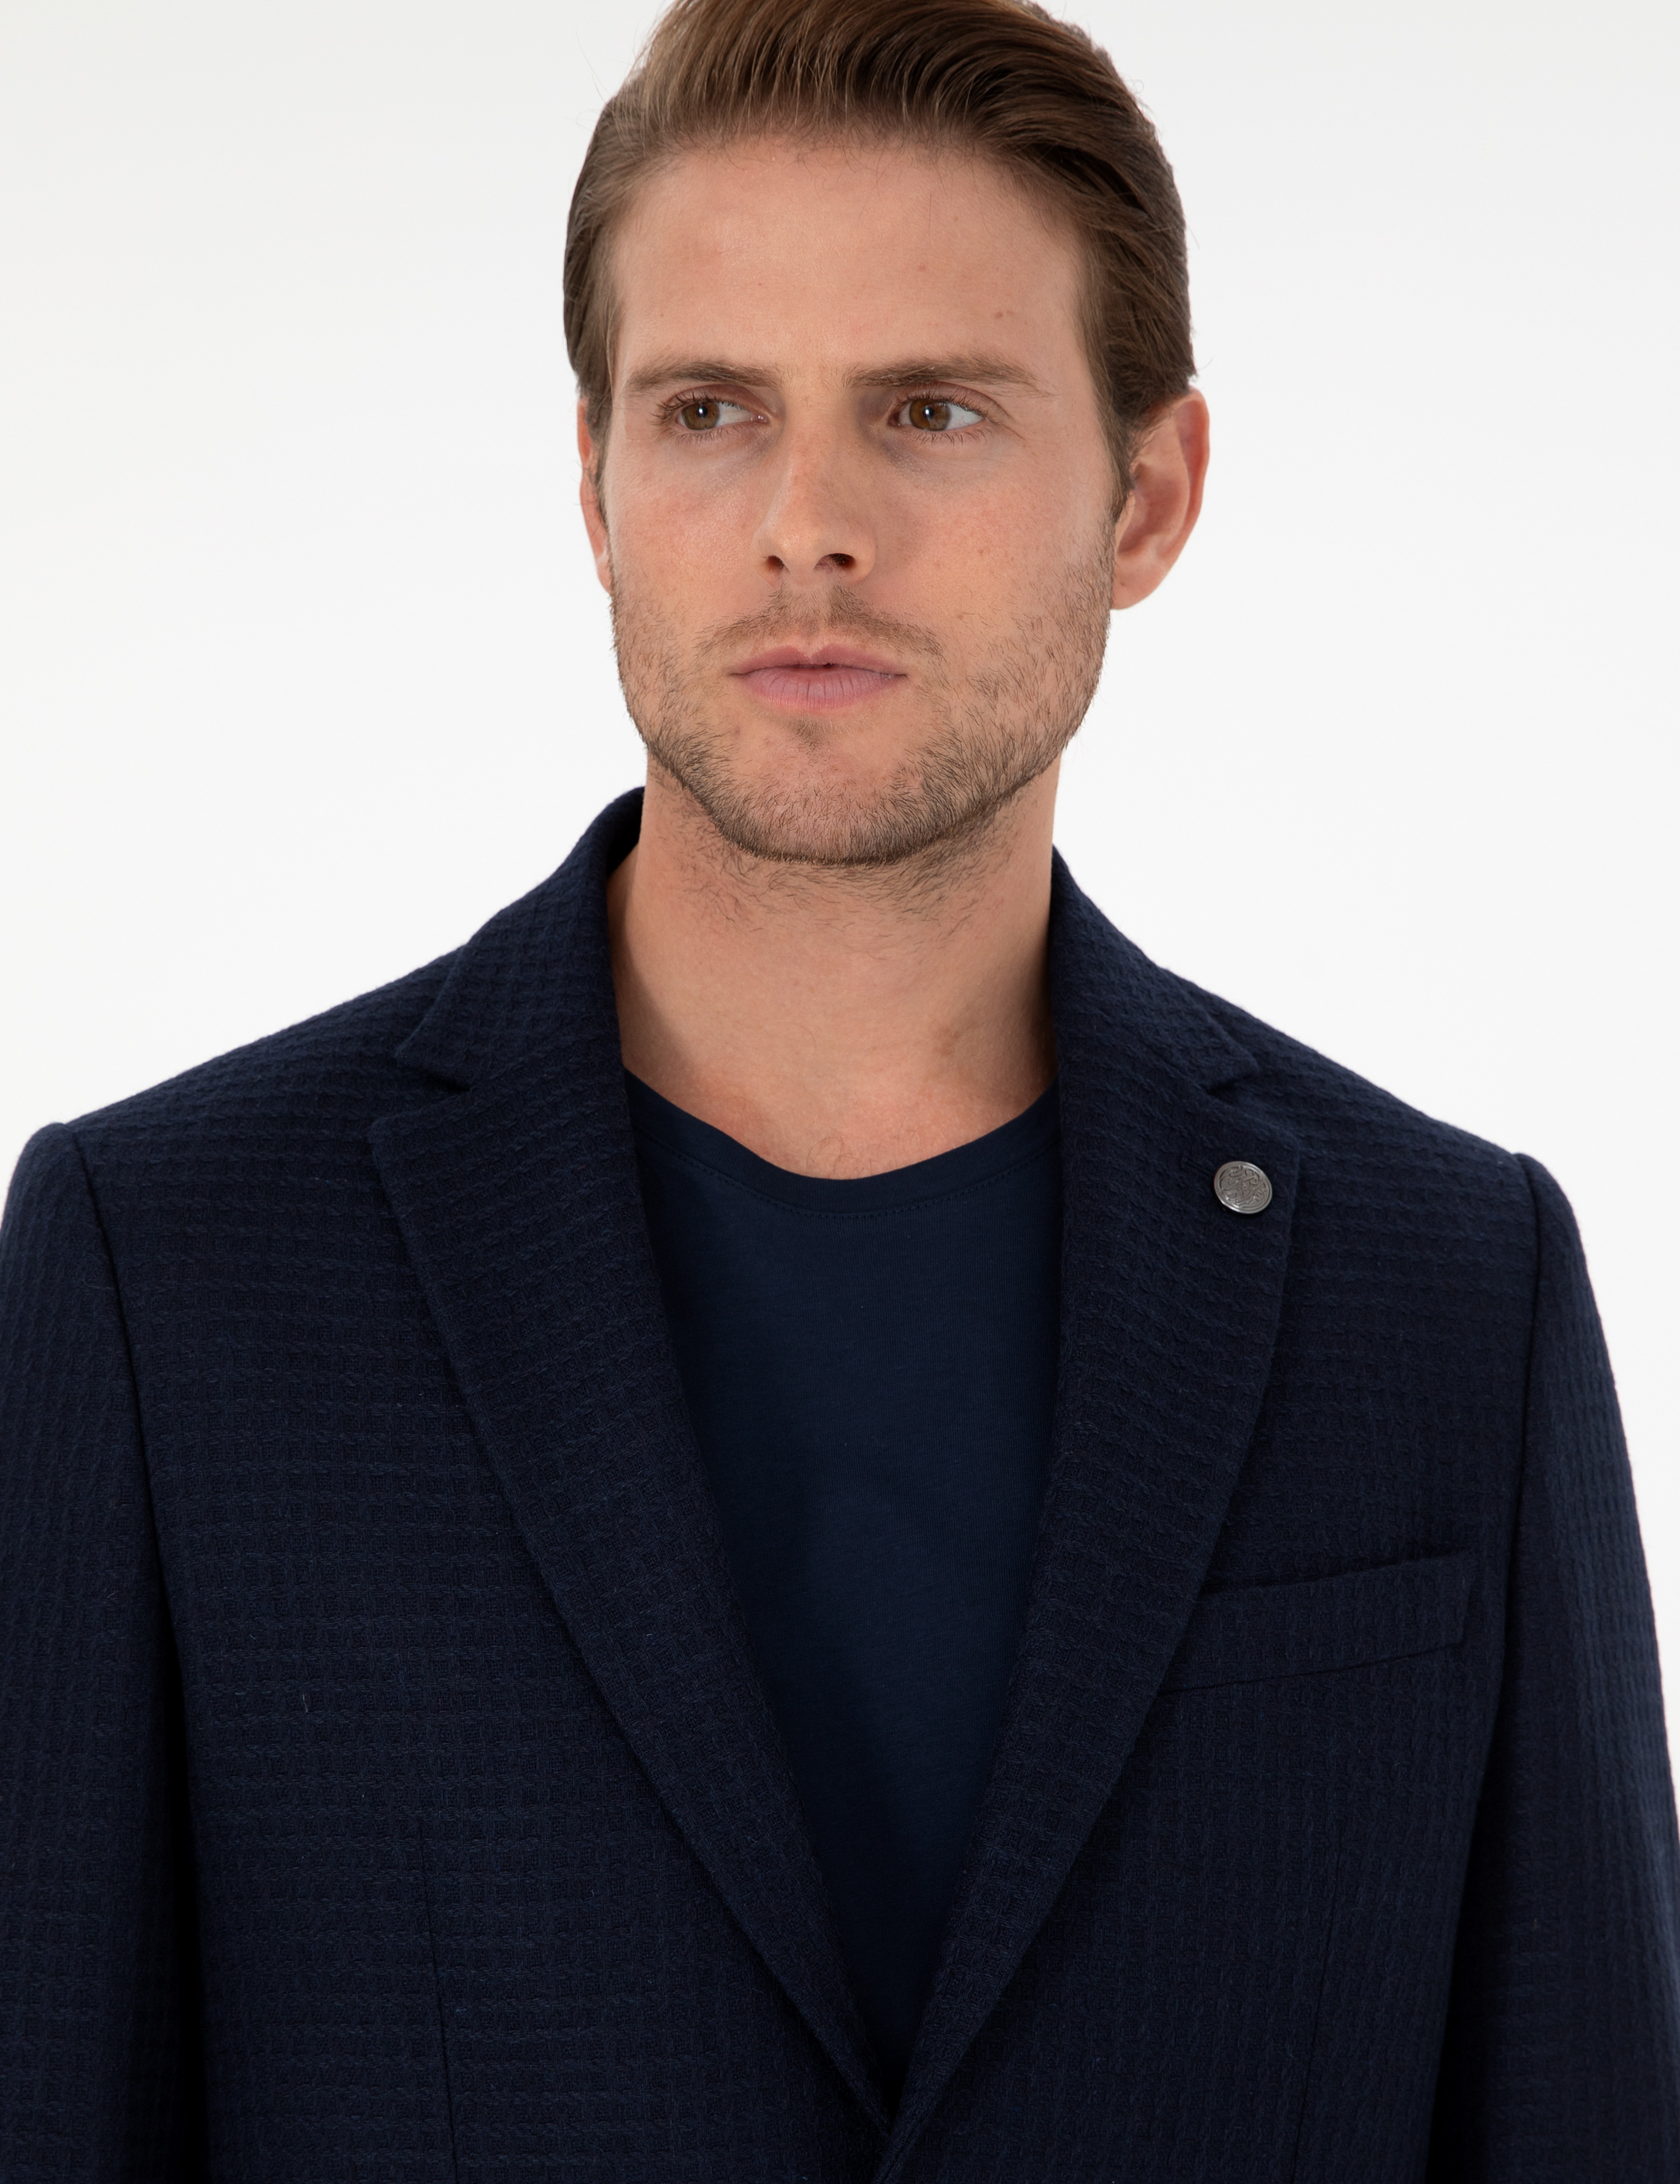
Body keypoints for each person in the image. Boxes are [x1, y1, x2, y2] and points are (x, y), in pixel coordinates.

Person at [3, 0, 1677, 2172]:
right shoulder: (167, 1274)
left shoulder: (1447, 1293)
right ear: (594, 486)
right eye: (709, 410)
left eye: (931, 410)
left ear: (1149, 495)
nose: (808, 525)